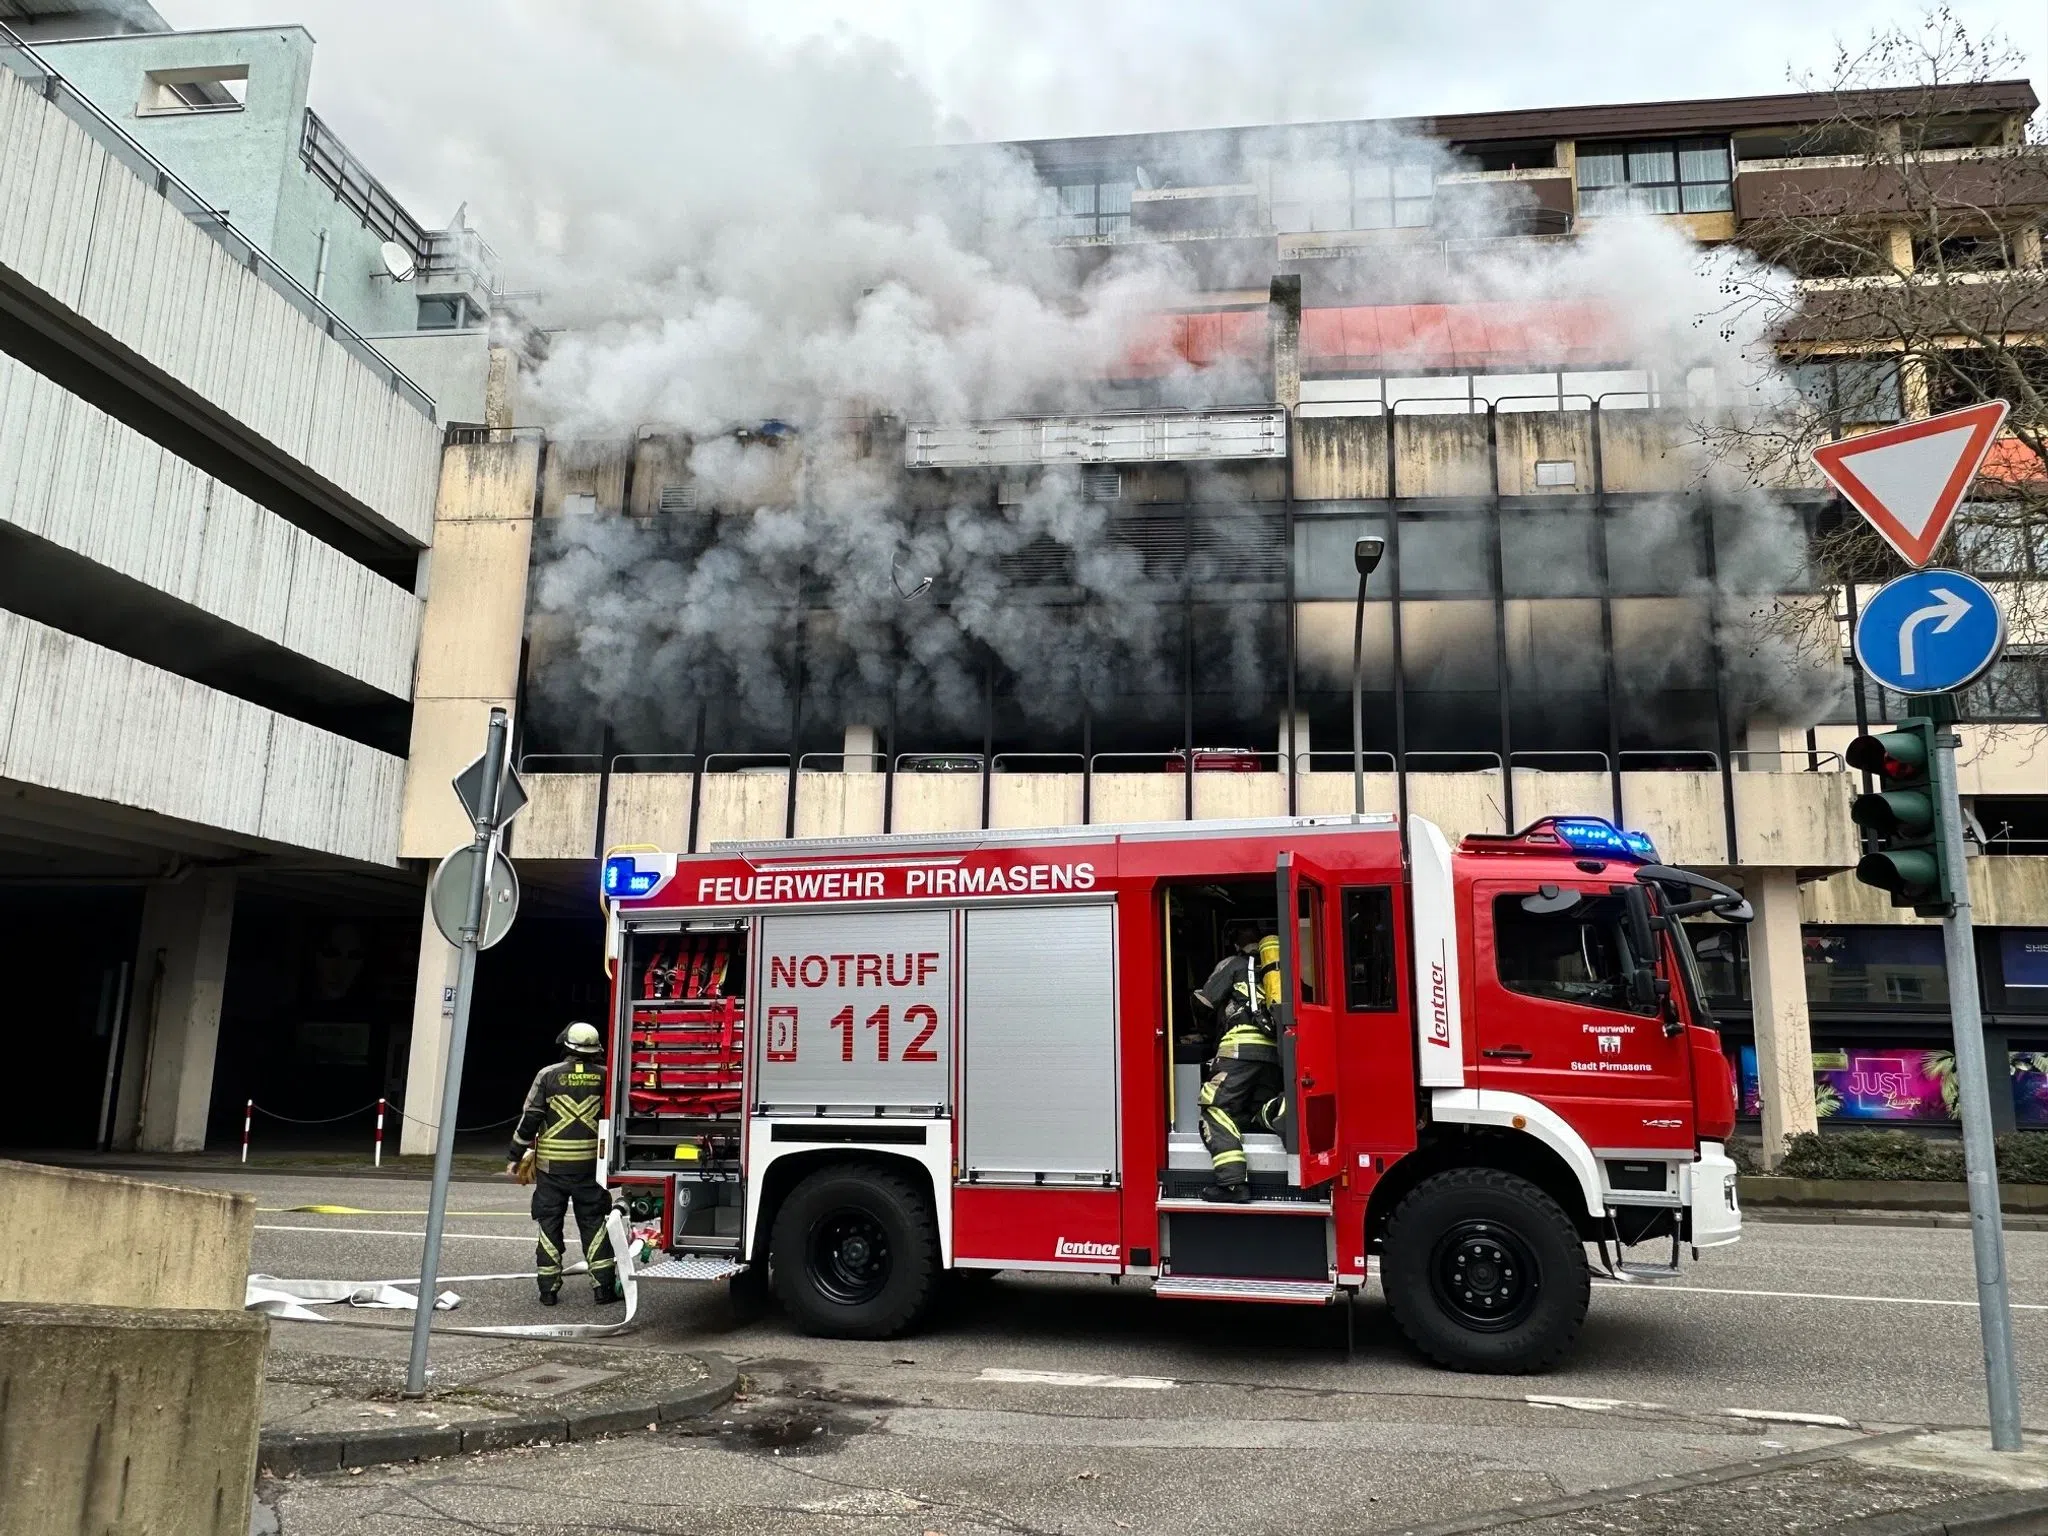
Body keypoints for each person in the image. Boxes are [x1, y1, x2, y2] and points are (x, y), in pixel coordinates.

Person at [507, 1022, 620, 1305]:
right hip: (589, 1169)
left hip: (551, 1170)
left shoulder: (548, 1075)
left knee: (549, 1225)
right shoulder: (606, 1076)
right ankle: (603, 1289)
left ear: (566, 1046)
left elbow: (531, 1118)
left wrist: (515, 1155)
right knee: (594, 1224)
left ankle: (548, 1291)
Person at [1192, 921, 1285, 1203]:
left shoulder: (1233, 964)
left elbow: (1205, 1003)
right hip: (1274, 1052)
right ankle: (1286, 1110)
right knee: (1256, 1111)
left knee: (1216, 1109)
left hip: (1238, 1049)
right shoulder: (1281, 969)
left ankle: (1232, 1184)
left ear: (1235, 944)